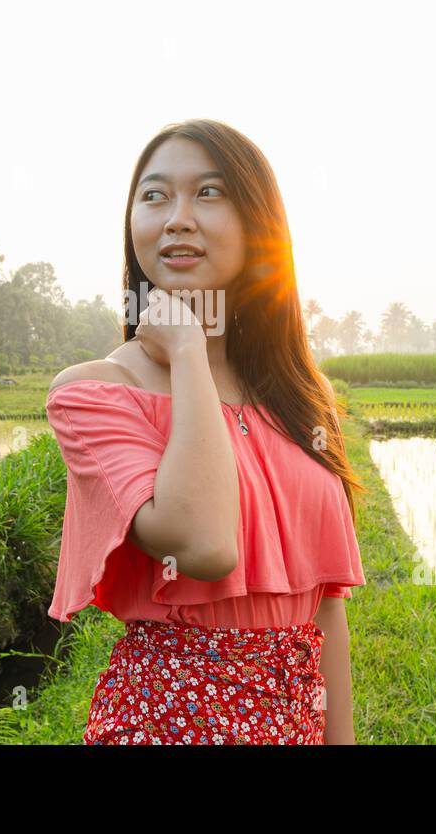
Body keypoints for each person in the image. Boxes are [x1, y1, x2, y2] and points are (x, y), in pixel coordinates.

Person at [45, 118, 366, 744]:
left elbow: (326, 609)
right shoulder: (93, 393)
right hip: (167, 721)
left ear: (258, 224)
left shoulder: (304, 398)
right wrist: (189, 350)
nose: (177, 218)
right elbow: (203, 546)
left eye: (210, 193)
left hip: (293, 720)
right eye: (155, 195)